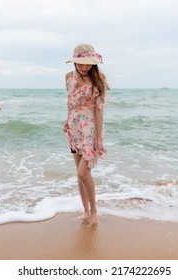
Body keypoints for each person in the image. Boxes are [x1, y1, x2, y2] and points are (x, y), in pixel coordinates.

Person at [64, 43, 109, 225]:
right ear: (74, 63)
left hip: (90, 128)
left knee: (84, 173)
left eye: (87, 64)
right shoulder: (68, 77)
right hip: (74, 128)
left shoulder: (99, 80)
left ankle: (95, 211)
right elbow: (69, 101)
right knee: (78, 173)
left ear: (93, 63)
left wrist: (99, 139)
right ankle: (85, 211)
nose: (83, 67)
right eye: (80, 63)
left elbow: (99, 111)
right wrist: (67, 121)